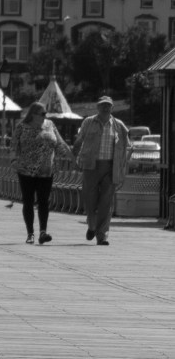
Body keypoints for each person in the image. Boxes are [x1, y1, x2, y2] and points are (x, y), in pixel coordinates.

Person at [9, 102, 74, 244]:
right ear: (33, 114)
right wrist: (13, 161)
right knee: (28, 201)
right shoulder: (21, 127)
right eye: (43, 114)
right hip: (26, 170)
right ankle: (30, 233)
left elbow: (60, 143)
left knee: (44, 201)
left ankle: (43, 232)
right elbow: (13, 145)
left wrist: (72, 158)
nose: (45, 116)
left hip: (46, 170)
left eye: (46, 113)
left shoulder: (50, 125)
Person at [72, 96, 131, 246]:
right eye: (103, 105)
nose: (105, 108)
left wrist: (123, 165)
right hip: (90, 165)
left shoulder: (118, 125)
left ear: (112, 108)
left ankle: (102, 235)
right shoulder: (89, 122)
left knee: (106, 201)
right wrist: (75, 157)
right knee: (90, 199)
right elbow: (79, 140)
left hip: (111, 167)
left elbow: (128, 146)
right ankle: (91, 226)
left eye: (108, 106)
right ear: (97, 107)